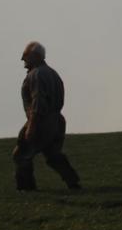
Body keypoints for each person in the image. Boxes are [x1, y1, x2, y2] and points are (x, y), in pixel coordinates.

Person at [13, 41, 82, 191]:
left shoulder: (35, 75)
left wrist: (32, 125)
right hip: (57, 121)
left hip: (41, 120)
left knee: (21, 154)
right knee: (53, 154)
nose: (22, 59)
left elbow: (38, 100)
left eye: (25, 55)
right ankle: (73, 182)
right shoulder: (53, 73)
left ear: (36, 56)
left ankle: (26, 189)